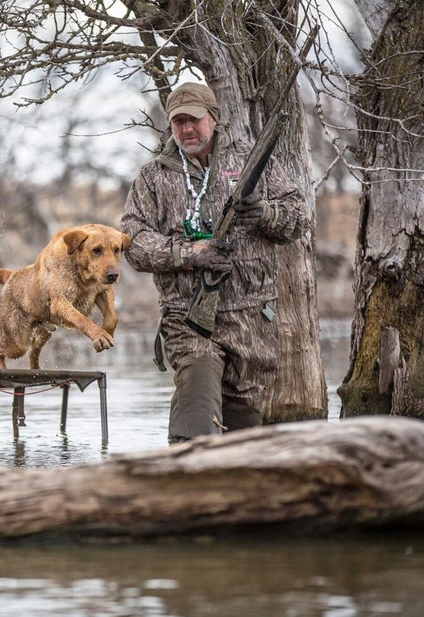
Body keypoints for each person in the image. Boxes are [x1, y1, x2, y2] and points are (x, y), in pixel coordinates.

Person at [120, 81, 308, 444]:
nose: (187, 129)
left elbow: (298, 220)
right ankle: (188, 484)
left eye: (195, 120)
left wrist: (265, 213)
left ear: (214, 119)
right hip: (188, 316)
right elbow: (134, 243)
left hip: (252, 319)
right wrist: (190, 254)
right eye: (178, 122)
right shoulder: (153, 177)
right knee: (196, 412)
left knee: (243, 433)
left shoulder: (252, 160)